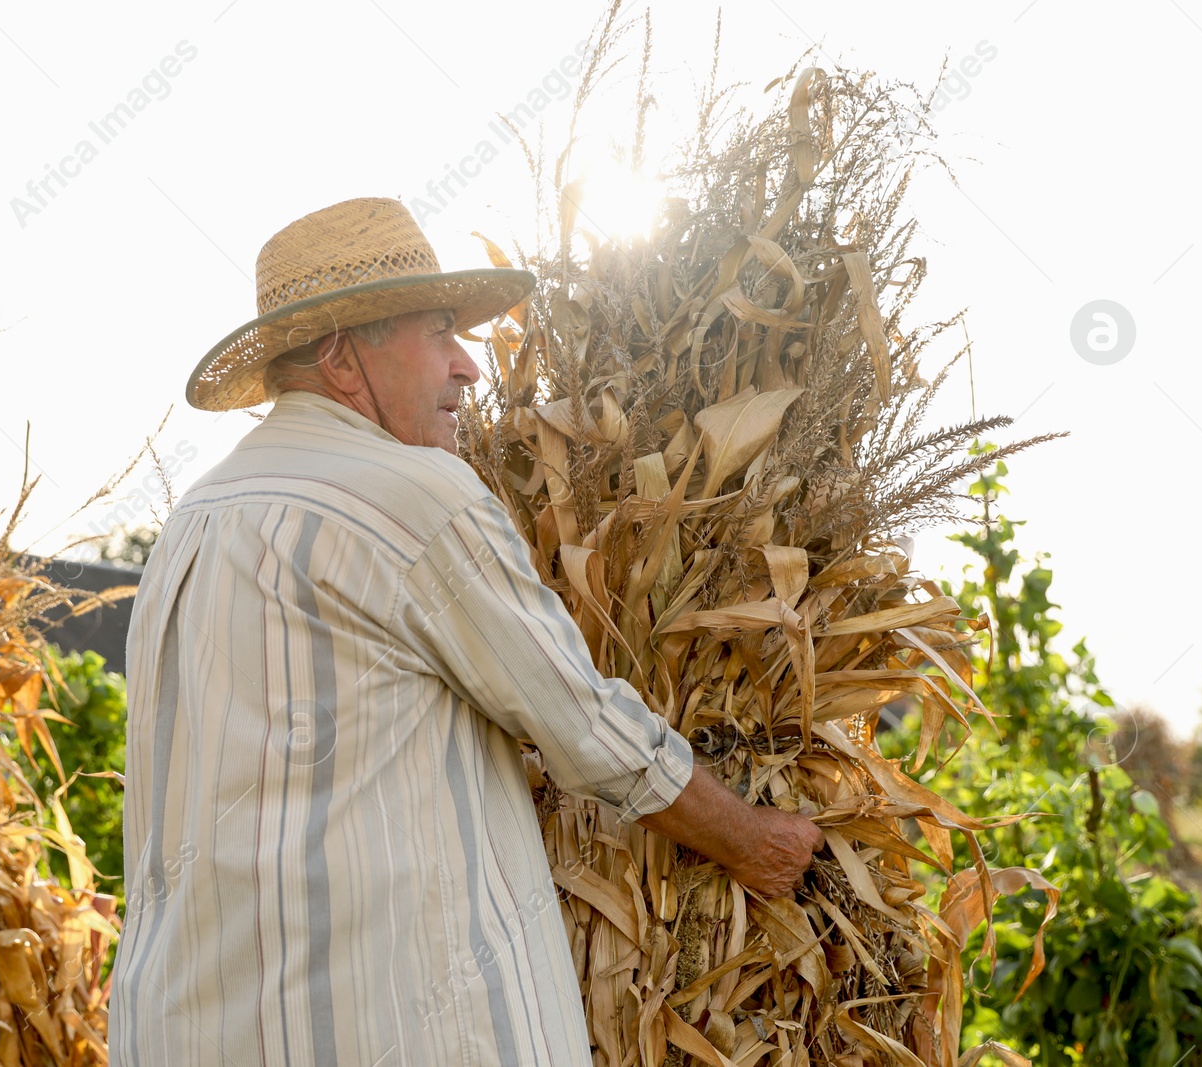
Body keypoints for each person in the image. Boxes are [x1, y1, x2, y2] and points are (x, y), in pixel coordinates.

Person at [112, 197, 822, 1066]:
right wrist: (748, 839)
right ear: (341, 355)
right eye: (440, 330)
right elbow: (585, 725)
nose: (468, 368)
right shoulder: (415, 494)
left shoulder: (195, 519)